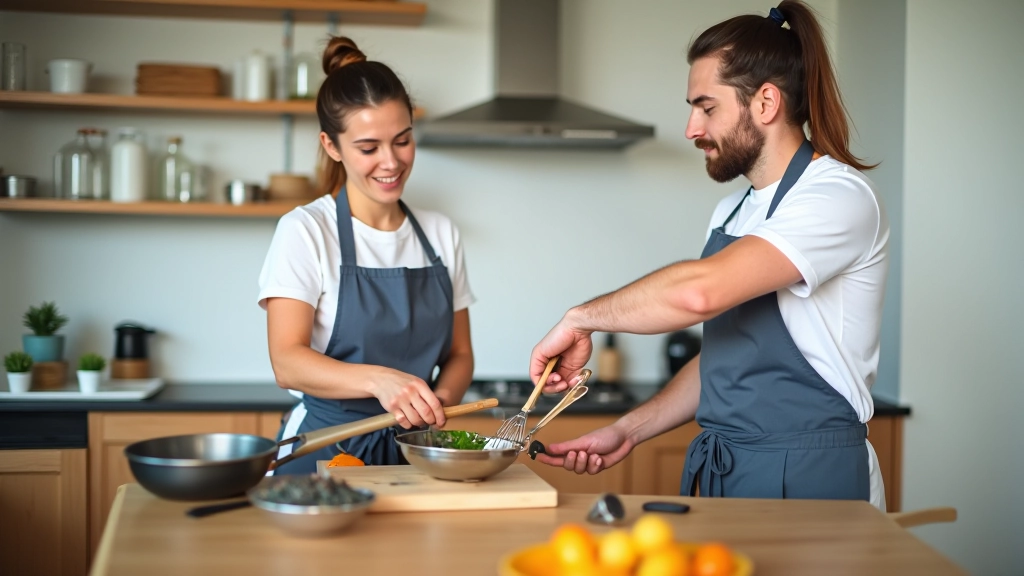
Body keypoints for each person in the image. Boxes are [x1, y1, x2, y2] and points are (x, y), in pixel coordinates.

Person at [529, 1, 890, 509]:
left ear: (765, 103)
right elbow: (723, 359)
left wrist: (581, 319)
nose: (691, 128)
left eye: (707, 107)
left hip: (810, 472)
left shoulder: (837, 197)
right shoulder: (731, 212)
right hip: (728, 471)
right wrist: (628, 430)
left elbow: (699, 293)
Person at [258, 37, 476, 474]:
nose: (391, 162)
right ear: (333, 146)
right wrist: (381, 381)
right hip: (324, 449)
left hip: (419, 451)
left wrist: (436, 405)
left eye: (402, 140)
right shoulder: (305, 230)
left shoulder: (440, 233)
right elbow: (286, 361)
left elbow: (459, 354)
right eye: (368, 147)